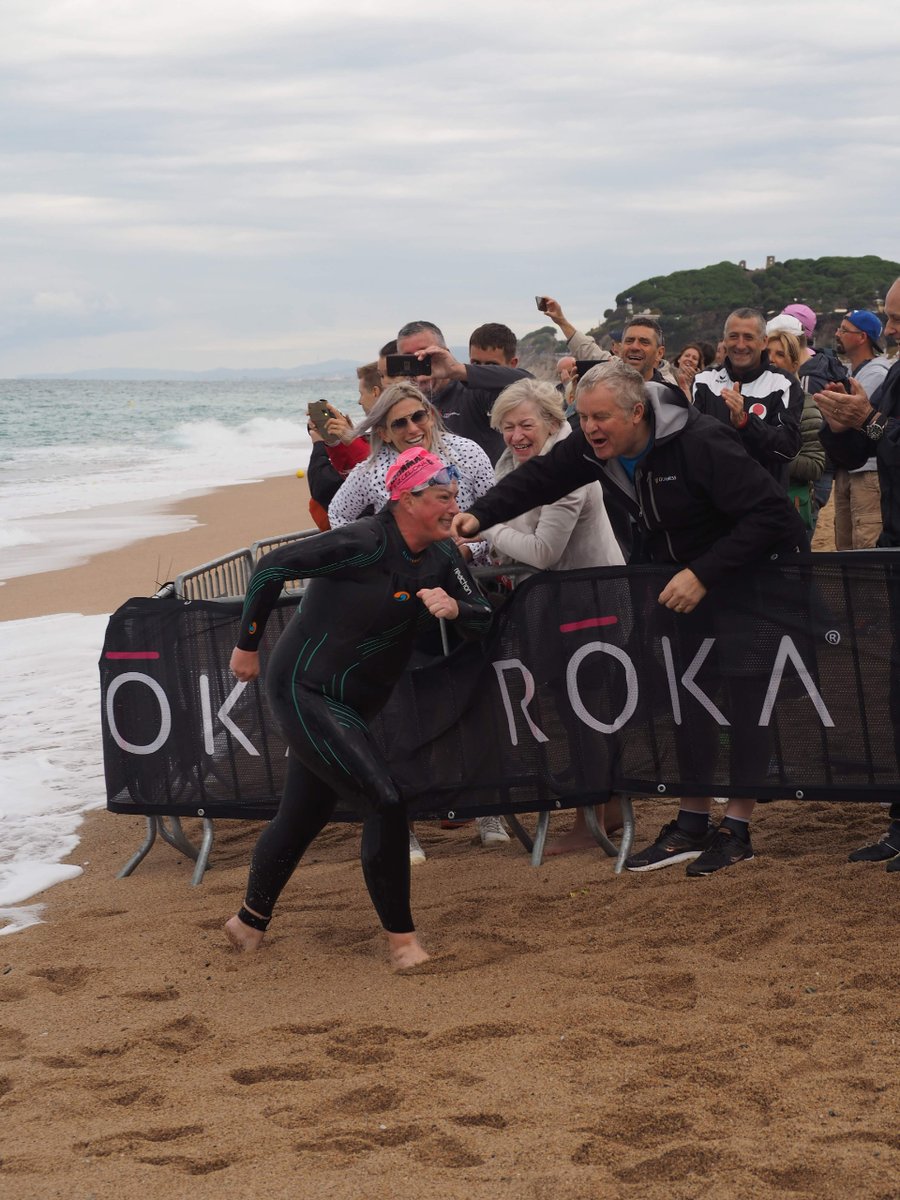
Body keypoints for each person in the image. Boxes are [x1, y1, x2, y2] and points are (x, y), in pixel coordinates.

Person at [452, 358, 808, 876]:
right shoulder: (596, 448)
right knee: (688, 699)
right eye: (583, 416)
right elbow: (543, 478)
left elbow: (773, 515)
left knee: (745, 698)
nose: (590, 428)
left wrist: (704, 573)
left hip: (749, 577)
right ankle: (690, 821)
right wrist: (481, 514)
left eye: (601, 418)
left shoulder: (699, 442)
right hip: (677, 582)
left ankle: (737, 828)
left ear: (637, 412)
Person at [225, 447, 493, 966]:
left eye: (454, 498)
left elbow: (481, 617)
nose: (452, 509)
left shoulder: (440, 557)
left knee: (304, 814)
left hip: (356, 704)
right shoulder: (363, 542)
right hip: (305, 690)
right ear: (406, 499)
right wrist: (247, 645)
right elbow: (269, 568)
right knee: (385, 800)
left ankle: (248, 922)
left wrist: (456, 607)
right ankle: (402, 942)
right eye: (442, 498)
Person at [327, 381, 503, 856]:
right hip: (402, 604)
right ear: (382, 428)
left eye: (417, 417)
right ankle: (402, 825)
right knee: (403, 711)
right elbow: (338, 515)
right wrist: (376, 560)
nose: (411, 429)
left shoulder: (466, 452)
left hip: (468, 590)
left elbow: (495, 511)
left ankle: (488, 812)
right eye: (398, 422)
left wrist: (475, 545)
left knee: (474, 702)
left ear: (432, 414)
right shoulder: (371, 469)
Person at [482, 377, 624, 854]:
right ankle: (605, 810)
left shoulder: (570, 471)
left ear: (552, 423)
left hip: (591, 598)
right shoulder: (512, 463)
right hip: (555, 601)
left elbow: (542, 551)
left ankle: (595, 820)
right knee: (572, 708)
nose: (515, 436)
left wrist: (489, 526)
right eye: (506, 427)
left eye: (525, 425)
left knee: (586, 708)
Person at [816, 276, 900, 872]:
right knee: (896, 691)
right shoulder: (895, 373)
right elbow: (864, 452)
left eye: (899, 319)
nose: (891, 329)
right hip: (896, 547)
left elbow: (886, 438)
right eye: (890, 318)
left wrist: (867, 423)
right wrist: (841, 423)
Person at [692, 308, 803, 488]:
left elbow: (789, 448)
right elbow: (691, 445)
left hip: (764, 503)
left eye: (749, 337)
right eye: (734, 336)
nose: (740, 345)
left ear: (763, 342)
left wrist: (746, 423)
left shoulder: (783, 383)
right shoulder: (703, 381)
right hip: (712, 504)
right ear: (725, 340)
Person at [395, 320, 530, 463]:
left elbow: (528, 381)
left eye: (425, 356)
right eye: (409, 358)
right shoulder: (402, 405)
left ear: (444, 354)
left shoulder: (474, 391)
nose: (419, 363)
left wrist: (457, 370)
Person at [829, 311, 890, 549]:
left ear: (862, 337)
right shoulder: (853, 372)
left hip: (868, 471)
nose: (837, 333)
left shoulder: (876, 372)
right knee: (844, 545)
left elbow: (850, 420)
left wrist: (833, 408)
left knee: (866, 543)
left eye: (844, 329)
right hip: (850, 470)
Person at [306, 364, 382, 526]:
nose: (359, 401)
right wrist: (335, 441)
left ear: (376, 392)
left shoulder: (387, 434)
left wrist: (339, 440)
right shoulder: (375, 433)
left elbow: (371, 469)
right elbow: (351, 470)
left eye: (361, 394)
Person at [765, 328, 825, 531]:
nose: (771, 359)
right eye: (767, 353)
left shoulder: (806, 405)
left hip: (790, 508)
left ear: (795, 365)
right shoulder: (745, 401)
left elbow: (815, 465)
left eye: (780, 354)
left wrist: (769, 457)